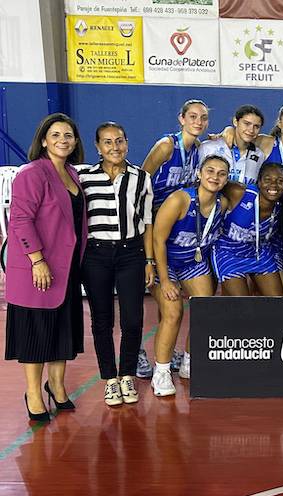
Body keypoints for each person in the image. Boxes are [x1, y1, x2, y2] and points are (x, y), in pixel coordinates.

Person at [5, 113, 86, 421]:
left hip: (66, 269)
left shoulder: (71, 173)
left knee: (61, 330)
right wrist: (37, 260)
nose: (62, 140)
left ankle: (57, 386)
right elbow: (21, 220)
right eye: (55, 135)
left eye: (68, 135)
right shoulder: (32, 173)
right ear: (43, 140)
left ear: (75, 141)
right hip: (39, 269)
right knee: (37, 334)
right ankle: (34, 393)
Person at [79, 122, 155, 406]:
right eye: (108, 142)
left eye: (119, 141)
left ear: (127, 143)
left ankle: (127, 375)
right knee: (102, 320)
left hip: (131, 253)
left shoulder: (141, 178)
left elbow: (147, 222)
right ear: (98, 147)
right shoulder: (83, 177)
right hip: (96, 254)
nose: (115, 147)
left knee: (133, 319)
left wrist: (149, 261)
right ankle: (109, 379)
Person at [150, 155, 234, 396]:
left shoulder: (223, 204)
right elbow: (158, 239)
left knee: (204, 308)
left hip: (192, 262)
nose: (214, 177)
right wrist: (165, 279)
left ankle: (189, 361)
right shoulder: (180, 199)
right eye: (209, 171)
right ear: (199, 173)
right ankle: (162, 372)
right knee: (173, 312)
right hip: (165, 262)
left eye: (221, 173)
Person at [138, 99, 209, 377]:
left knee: (171, 306)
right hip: (153, 223)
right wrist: (145, 222)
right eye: (193, 116)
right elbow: (141, 181)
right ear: (181, 118)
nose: (198, 122)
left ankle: (170, 355)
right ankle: (146, 360)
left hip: (177, 225)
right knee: (164, 301)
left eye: (203, 118)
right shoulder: (167, 146)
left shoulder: (199, 151)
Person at [211, 162, 283, 297]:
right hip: (228, 253)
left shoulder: (282, 206)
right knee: (243, 305)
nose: (274, 185)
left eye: (280, 181)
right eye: (267, 180)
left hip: (258, 252)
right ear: (258, 182)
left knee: (278, 304)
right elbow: (214, 186)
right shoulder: (239, 193)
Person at [198, 104, 267, 185]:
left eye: (256, 126)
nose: (251, 130)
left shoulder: (259, 155)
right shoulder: (209, 148)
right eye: (246, 123)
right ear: (235, 121)